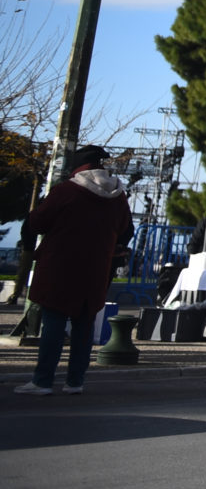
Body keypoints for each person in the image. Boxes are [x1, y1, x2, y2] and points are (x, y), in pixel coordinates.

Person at [17, 146, 134, 396]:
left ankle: (43, 381)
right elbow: (126, 230)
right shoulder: (118, 196)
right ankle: (75, 381)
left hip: (60, 267)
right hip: (96, 268)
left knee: (54, 324)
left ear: (78, 167)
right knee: (84, 325)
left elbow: (37, 222)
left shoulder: (66, 191)